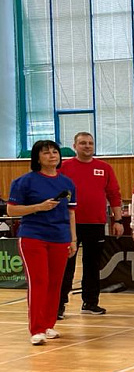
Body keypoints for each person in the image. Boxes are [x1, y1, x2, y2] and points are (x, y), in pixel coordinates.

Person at [6, 140, 77, 345]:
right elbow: (11, 210)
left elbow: (71, 213)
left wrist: (73, 239)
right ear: (37, 158)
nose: (52, 155)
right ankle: (36, 329)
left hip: (60, 238)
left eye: (55, 152)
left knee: (55, 283)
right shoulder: (24, 182)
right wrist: (38, 207)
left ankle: (48, 324)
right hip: (33, 236)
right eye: (46, 153)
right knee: (39, 282)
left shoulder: (67, 183)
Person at [57, 132, 123, 318]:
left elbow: (114, 194)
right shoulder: (64, 167)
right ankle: (59, 305)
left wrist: (118, 220)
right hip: (69, 224)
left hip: (96, 224)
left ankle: (90, 303)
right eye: (83, 143)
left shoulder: (104, 167)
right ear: (75, 146)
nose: (87, 146)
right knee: (66, 266)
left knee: (92, 265)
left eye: (90, 143)